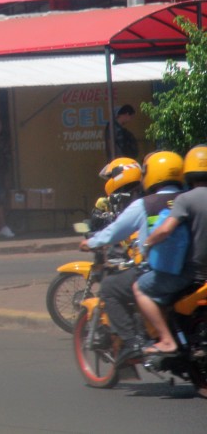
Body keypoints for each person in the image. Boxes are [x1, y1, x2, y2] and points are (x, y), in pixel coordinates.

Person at [80, 151, 185, 362]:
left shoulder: (144, 204)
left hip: (159, 270)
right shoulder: (188, 197)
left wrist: (90, 242)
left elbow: (115, 231)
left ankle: (133, 343)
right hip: (192, 269)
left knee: (110, 287)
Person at [138, 145, 207, 355]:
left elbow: (165, 230)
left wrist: (148, 243)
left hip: (192, 274)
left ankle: (167, 340)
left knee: (140, 288)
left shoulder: (185, 199)